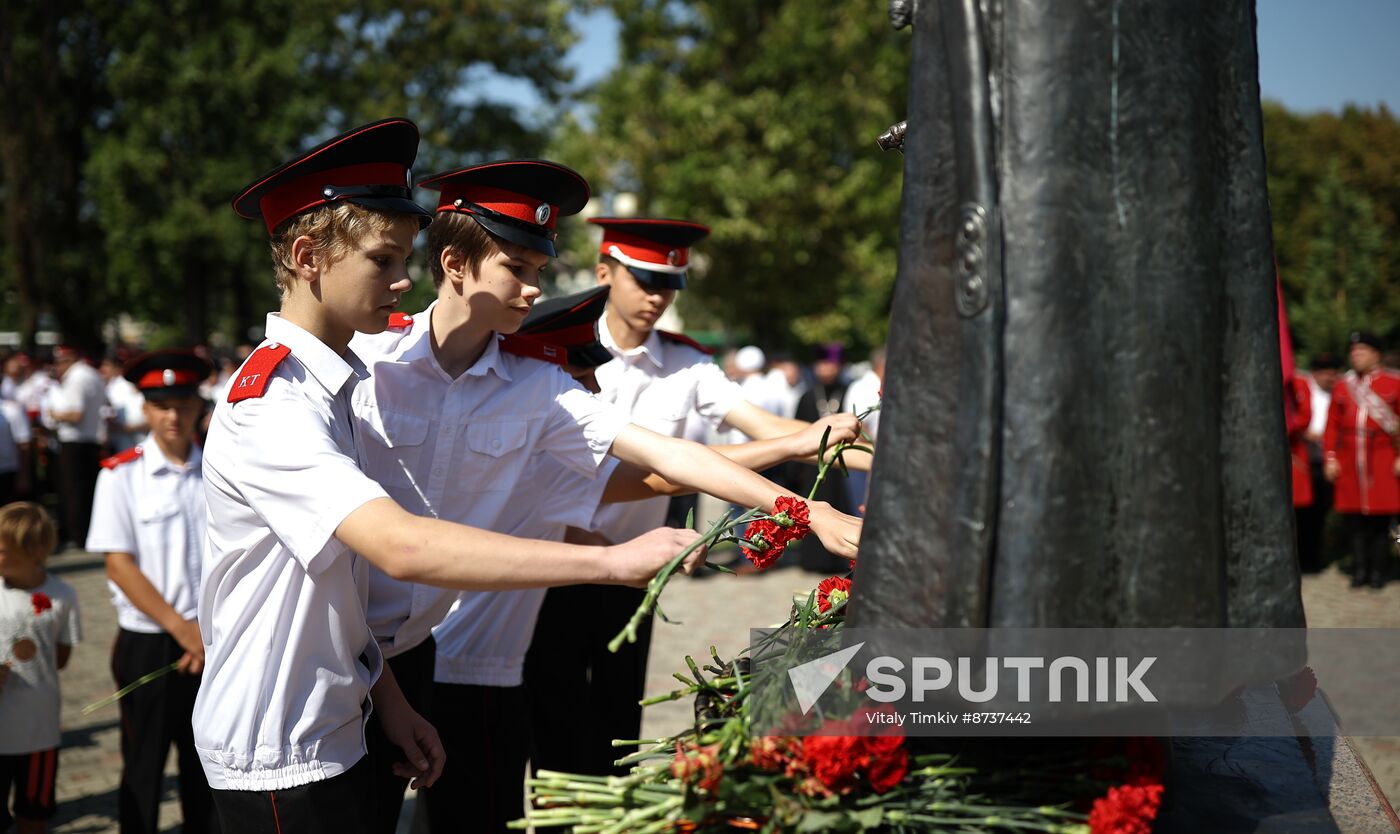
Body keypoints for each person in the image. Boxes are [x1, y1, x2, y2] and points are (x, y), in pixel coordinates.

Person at [195, 119, 709, 833]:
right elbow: (399, 547)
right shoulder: (273, 403)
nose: (406, 280)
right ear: (308, 256)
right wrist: (610, 560)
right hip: (281, 745)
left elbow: (342, 590)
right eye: (384, 260)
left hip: (340, 718)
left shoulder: (332, 389)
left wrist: (394, 703)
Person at [349, 161, 862, 829]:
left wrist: (805, 508)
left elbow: (666, 458)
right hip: (345, 655)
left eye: (539, 270)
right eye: (517, 268)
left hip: (440, 658)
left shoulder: (534, 386)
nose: (533, 289)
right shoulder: (366, 361)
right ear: (453, 263)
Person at [526, 217, 867, 777]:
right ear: (604, 271)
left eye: (670, 285)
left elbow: (773, 432)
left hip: (638, 564)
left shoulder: (687, 364)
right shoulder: (559, 348)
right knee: (553, 726)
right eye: (643, 279)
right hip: (553, 563)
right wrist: (801, 453)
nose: (657, 297)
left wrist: (875, 457)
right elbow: (663, 473)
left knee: (618, 724)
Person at [85, 350, 216, 834]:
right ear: (144, 410)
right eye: (161, 406)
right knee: (143, 764)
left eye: (183, 404)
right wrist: (183, 630)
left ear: (199, 407)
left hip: (212, 639)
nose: (173, 416)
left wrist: (203, 632)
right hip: (153, 641)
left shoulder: (221, 471)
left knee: (209, 766)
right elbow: (119, 566)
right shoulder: (121, 475)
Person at [0, 502, 81, 834]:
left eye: (3, 550)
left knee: (34, 814)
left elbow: (61, 655)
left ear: (33, 552)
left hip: (39, 729)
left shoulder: (62, 594)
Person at [1323, 331, 1400, 589]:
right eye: (1353, 351)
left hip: (1382, 460)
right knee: (1354, 521)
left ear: (1376, 354)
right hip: (1350, 462)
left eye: (1362, 351)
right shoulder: (1344, 386)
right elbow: (1332, 425)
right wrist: (1330, 457)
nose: (1356, 355)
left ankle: (1379, 570)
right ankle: (1359, 569)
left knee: (1381, 521)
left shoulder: (1393, 383)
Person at [792, 343, 855, 572]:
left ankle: (842, 558)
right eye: (822, 363)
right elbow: (796, 432)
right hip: (813, 467)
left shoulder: (849, 392)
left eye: (831, 364)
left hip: (843, 466)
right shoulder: (808, 396)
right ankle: (814, 560)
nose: (826, 368)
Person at [47, 346, 107, 546]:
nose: (58, 367)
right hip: (89, 440)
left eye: (59, 362)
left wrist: (54, 414)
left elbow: (75, 414)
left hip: (74, 441)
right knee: (87, 489)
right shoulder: (91, 374)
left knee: (73, 491)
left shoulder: (76, 377)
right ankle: (86, 532)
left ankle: (78, 535)